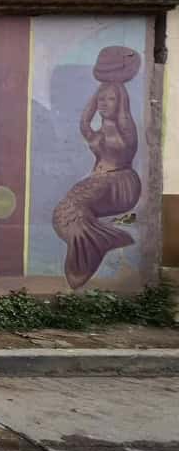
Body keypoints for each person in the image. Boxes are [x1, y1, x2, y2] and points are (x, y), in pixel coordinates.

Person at [52, 66, 141, 289]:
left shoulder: (126, 128)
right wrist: (98, 93)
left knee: (72, 206)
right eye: (101, 99)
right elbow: (84, 121)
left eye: (110, 99)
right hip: (101, 180)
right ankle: (97, 241)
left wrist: (116, 85)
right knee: (64, 211)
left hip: (121, 183)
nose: (103, 103)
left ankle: (93, 247)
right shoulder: (97, 132)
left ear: (120, 102)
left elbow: (123, 113)